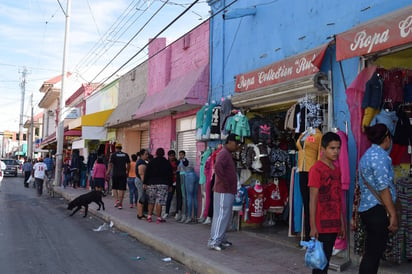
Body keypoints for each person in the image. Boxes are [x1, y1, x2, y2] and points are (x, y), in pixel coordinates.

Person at [358, 123, 398, 274]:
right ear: (387, 138)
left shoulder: (367, 156)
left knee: (371, 252)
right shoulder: (380, 157)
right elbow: (383, 188)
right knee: (373, 254)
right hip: (377, 210)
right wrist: (393, 214)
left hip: (368, 209)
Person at [308, 132, 345, 274]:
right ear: (323, 149)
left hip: (333, 223)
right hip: (321, 226)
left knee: (326, 261)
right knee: (319, 265)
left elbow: (338, 198)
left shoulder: (337, 170)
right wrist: (312, 226)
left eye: (338, 148)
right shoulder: (316, 170)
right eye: (332, 148)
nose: (336, 151)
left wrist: (341, 222)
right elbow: (313, 199)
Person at [207, 134, 241, 251]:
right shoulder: (223, 153)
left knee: (224, 215)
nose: (237, 146)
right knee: (221, 216)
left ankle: (221, 238)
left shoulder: (227, 154)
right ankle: (214, 241)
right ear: (230, 142)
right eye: (236, 144)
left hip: (226, 190)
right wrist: (226, 183)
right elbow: (218, 167)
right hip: (223, 190)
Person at [143, 148, 173, 224]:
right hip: (163, 184)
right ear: (163, 153)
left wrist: (145, 183)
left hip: (151, 184)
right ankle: (159, 218)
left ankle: (149, 216)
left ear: (156, 153)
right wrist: (170, 185)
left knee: (151, 200)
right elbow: (170, 175)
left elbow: (147, 173)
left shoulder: (151, 161)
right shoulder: (167, 162)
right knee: (159, 201)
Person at [106, 143, 130, 210]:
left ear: (116, 148)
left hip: (115, 174)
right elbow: (128, 164)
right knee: (122, 189)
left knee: (115, 187)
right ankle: (120, 204)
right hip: (123, 174)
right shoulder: (125, 155)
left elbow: (110, 164)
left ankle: (116, 200)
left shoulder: (113, 155)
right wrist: (127, 171)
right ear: (121, 148)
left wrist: (107, 172)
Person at [175, 150, 189, 221]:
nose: (180, 156)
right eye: (180, 154)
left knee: (183, 195)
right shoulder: (178, 161)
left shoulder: (185, 160)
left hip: (183, 176)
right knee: (178, 194)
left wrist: (183, 160)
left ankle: (184, 213)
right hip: (178, 176)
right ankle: (178, 211)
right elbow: (176, 164)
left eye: (182, 154)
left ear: (184, 155)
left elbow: (186, 164)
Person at [136, 149, 149, 220]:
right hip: (141, 181)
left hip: (140, 181)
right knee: (141, 197)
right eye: (146, 154)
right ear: (142, 155)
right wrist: (144, 183)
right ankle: (140, 215)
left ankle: (141, 213)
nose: (147, 155)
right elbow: (141, 174)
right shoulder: (141, 163)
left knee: (142, 197)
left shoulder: (143, 162)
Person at [164, 150, 178, 219]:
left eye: (173, 155)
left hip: (178, 182)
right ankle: (167, 212)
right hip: (170, 183)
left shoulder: (177, 162)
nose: (172, 157)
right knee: (169, 198)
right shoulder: (166, 163)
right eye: (171, 156)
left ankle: (177, 213)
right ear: (168, 156)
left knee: (178, 198)